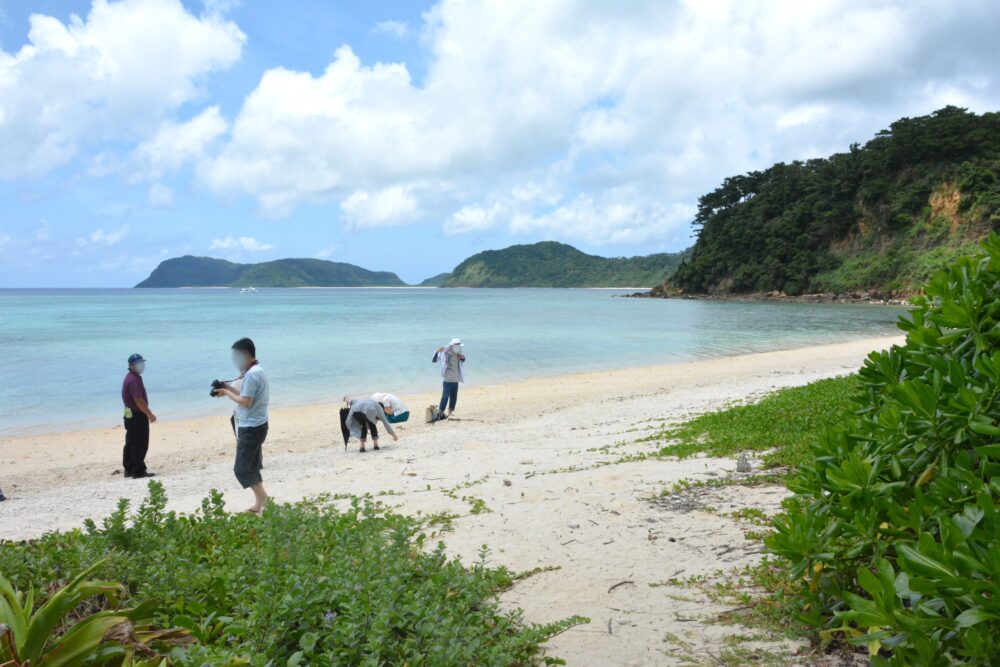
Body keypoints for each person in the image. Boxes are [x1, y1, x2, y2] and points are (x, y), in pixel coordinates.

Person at [214, 338, 270, 514]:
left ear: (246, 354)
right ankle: (259, 504)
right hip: (257, 425)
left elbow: (245, 402)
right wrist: (227, 388)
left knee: (242, 470)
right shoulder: (255, 371)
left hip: (251, 428)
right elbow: (246, 395)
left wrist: (226, 392)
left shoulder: (252, 374)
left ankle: (265, 500)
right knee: (252, 466)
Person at [122, 353, 156, 478]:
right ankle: (138, 470)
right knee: (140, 443)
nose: (141, 365)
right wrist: (150, 414)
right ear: (131, 365)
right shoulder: (133, 380)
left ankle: (129, 468)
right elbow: (138, 400)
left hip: (129, 414)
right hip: (137, 414)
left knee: (131, 441)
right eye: (138, 363)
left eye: (142, 362)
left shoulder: (131, 377)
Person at [432, 338, 466, 420]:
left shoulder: (458, 352)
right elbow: (434, 360)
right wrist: (437, 351)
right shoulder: (444, 351)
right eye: (457, 345)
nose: (458, 347)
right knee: (445, 397)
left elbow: (463, 360)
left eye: (459, 345)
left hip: (456, 379)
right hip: (447, 379)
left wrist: (463, 358)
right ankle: (440, 412)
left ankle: (450, 412)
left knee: (454, 397)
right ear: (452, 345)